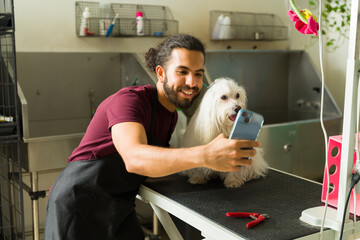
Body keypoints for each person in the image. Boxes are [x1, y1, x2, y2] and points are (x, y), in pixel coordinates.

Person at [44, 34, 260, 240]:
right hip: (78, 207)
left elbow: (159, 158)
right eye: (182, 71)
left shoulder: (170, 115)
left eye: (198, 73)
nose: (192, 82)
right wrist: (205, 155)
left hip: (119, 207)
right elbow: (135, 157)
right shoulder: (129, 101)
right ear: (161, 73)